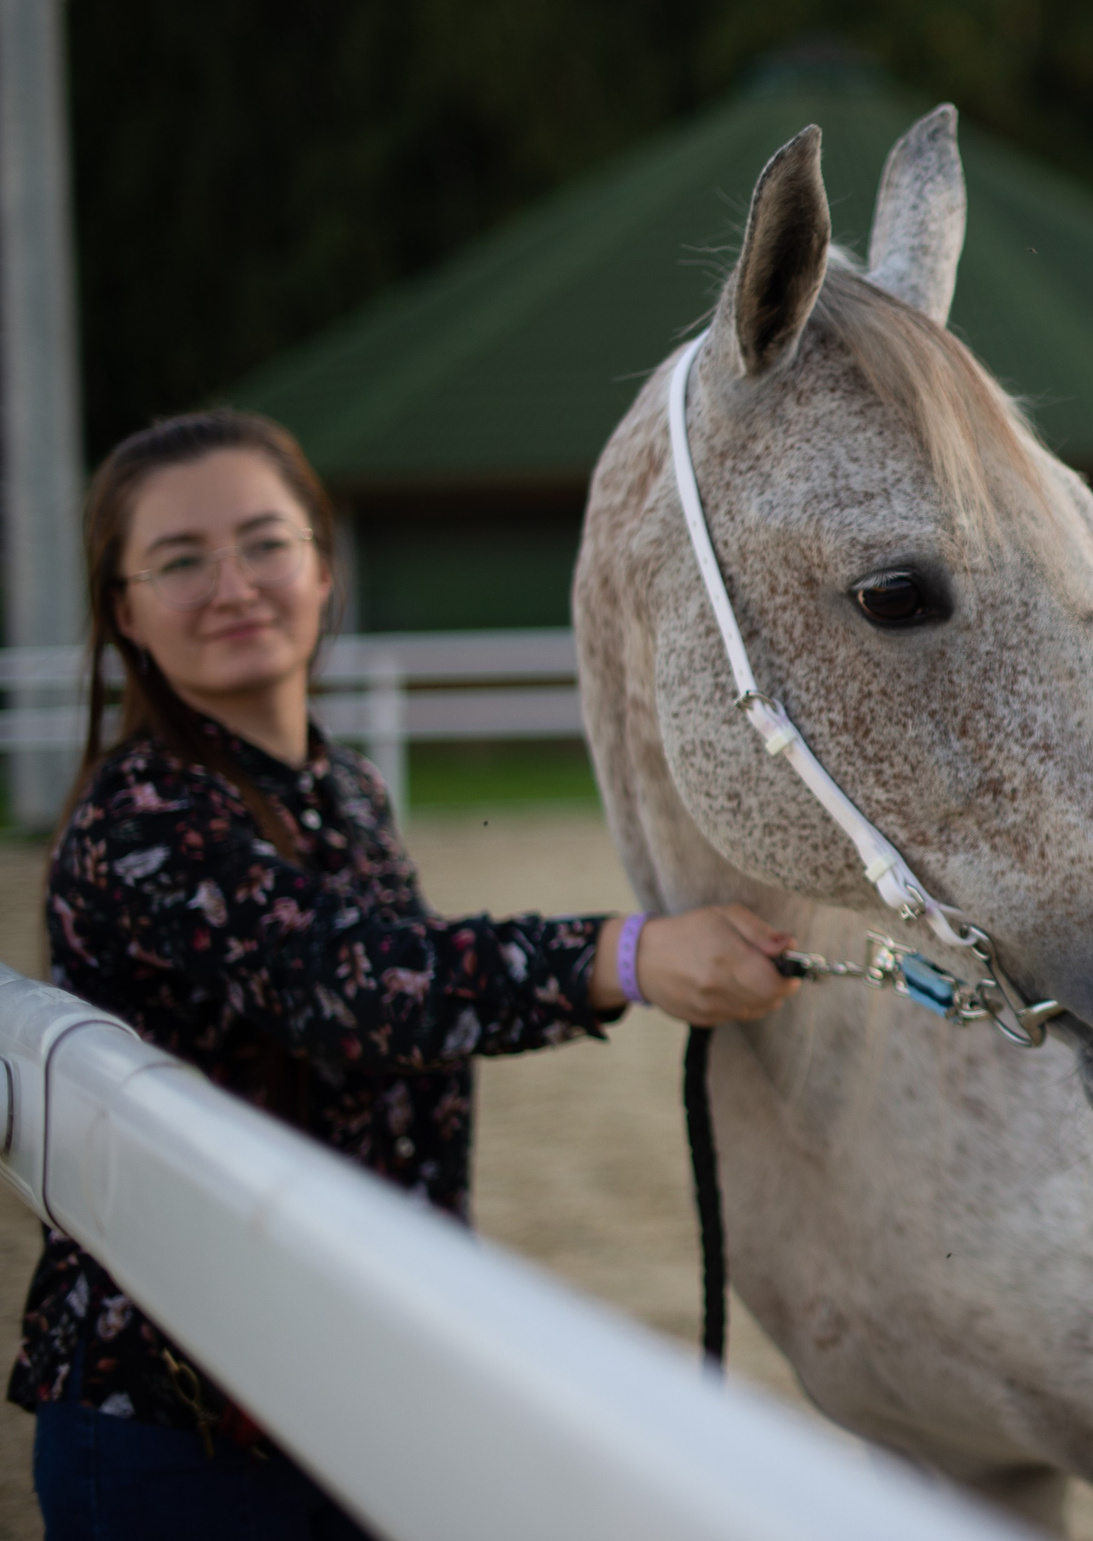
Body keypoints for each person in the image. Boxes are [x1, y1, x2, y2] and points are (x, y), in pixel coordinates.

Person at [9, 411, 798, 1539]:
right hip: (183, 1432)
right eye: (180, 559)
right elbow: (360, 987)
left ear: (323, 569)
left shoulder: (344, 791)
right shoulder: (143, 815)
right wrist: (624, 955)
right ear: (125, 612)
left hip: (348, 1398)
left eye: (264, 542)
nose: (233, 583)